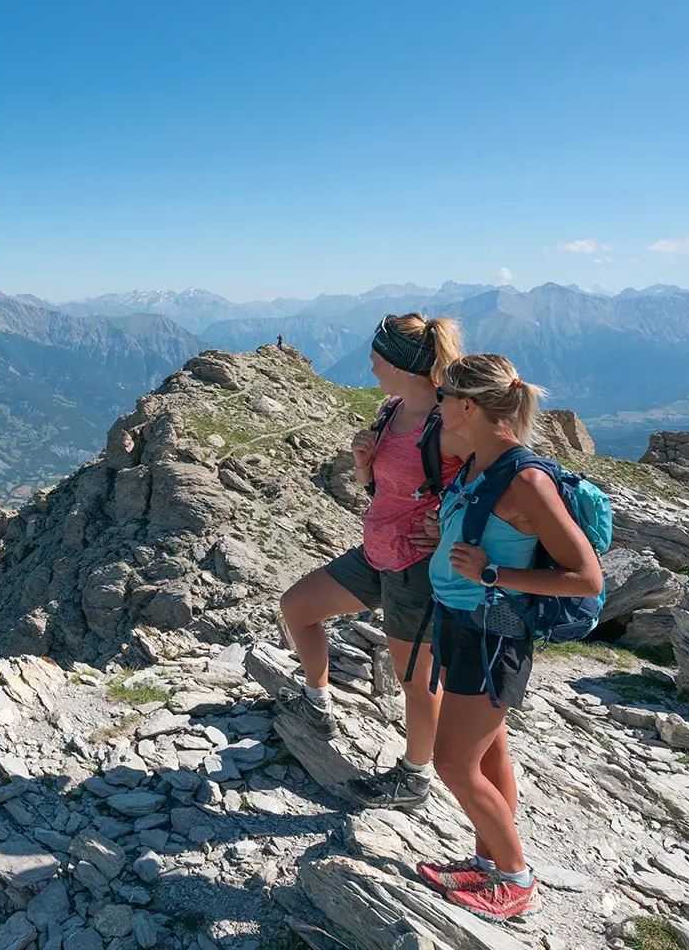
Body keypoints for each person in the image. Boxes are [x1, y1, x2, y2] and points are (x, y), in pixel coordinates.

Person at [415, 353, 602, 922]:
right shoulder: (476, 463)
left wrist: (491, 574)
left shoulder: (525, 480)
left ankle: (516, 878)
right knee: (489, 754)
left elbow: (586, 577)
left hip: (494, 636)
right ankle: (487, 859)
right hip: (461, 624)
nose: (438, 407)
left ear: (468, 406)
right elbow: (480, 535)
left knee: (452, 764)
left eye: (444, 397)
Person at [278, 313, 466, 809]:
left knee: (417, 680)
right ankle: (317, 703)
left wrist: (453, 528)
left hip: (417, 571)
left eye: (376, 358)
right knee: (297, 605)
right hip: (378, 552)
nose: (370, 365)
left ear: (402, 365)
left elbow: (494, 485)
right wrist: (365, 466)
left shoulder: (449, 424)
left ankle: (414, 777)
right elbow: (383, 490)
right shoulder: (392, 409)